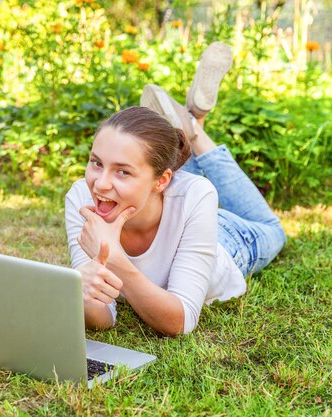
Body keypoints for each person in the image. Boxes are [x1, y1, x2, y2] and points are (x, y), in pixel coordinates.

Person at [64, 42, 286, 336]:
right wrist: (82, 291)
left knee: (273, 229)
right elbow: (101, 318)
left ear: (162, 181)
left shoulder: (197, 195)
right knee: (159, 172)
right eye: (96, 163)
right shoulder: (81, 197)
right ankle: (189, 125)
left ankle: (195, 131)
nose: (100, 184)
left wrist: (114, 258)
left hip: (227, 240)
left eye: (122, 171)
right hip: (169, 203)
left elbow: (180, 321)